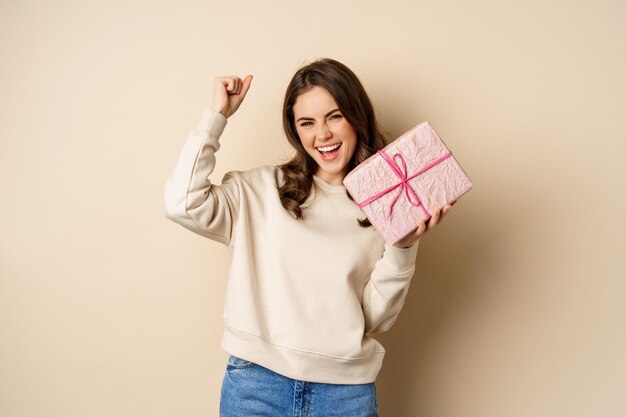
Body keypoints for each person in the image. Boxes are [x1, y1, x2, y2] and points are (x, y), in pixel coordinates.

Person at [164, 58, 454, 417]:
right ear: (295, 131)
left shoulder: (389, 203)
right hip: (256, 388)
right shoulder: (260, 190)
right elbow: (182, 204)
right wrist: (214, 118)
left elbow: (376, 319)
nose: (323, 135)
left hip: (345, 397)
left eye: (334, 116)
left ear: (356, 115)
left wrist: (403, 246)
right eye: (307, 123)